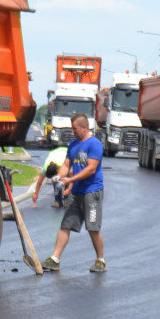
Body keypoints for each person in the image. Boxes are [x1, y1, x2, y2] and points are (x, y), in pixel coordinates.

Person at [42, 113, 107, 273]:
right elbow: (66, 164)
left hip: (92, 192)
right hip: (76, 193)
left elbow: (91, 169)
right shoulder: (73, 145)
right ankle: (55, 259)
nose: (73, 131)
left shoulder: (94, 145)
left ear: (84, 127)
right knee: (66, 225)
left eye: (75, 128)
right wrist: (60, 176)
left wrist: (70, 181)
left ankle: (100, 260)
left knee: (93, 228)